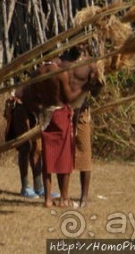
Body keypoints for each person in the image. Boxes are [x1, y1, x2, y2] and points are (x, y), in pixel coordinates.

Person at [30, 56, 84, 208]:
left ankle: (47, 199)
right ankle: (64, 199)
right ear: (57, 61)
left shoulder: (36, 74)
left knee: (47, 159)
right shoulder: (60, 73)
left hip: (45, 116)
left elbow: (33, 97)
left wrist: (41, 107)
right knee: (64, 158)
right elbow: (68, 97)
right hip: (60, 115)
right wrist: (83, 88)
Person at [58, 44, 103, 208]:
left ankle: (84, 197)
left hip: (82, 112)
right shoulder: (59, 63)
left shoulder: (91, 64)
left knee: (84, 153)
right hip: (62, 111)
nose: (81, 46)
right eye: (78, 42)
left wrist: (96, 84)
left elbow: (96, 92)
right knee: (63, 154)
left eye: (84, 43)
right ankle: (64, 196)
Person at [4, 74, 45, 199]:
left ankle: (39, 187)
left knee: (37, 148)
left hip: (35, 108)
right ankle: (25, 186)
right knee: (25, 147)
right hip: (21, 107)